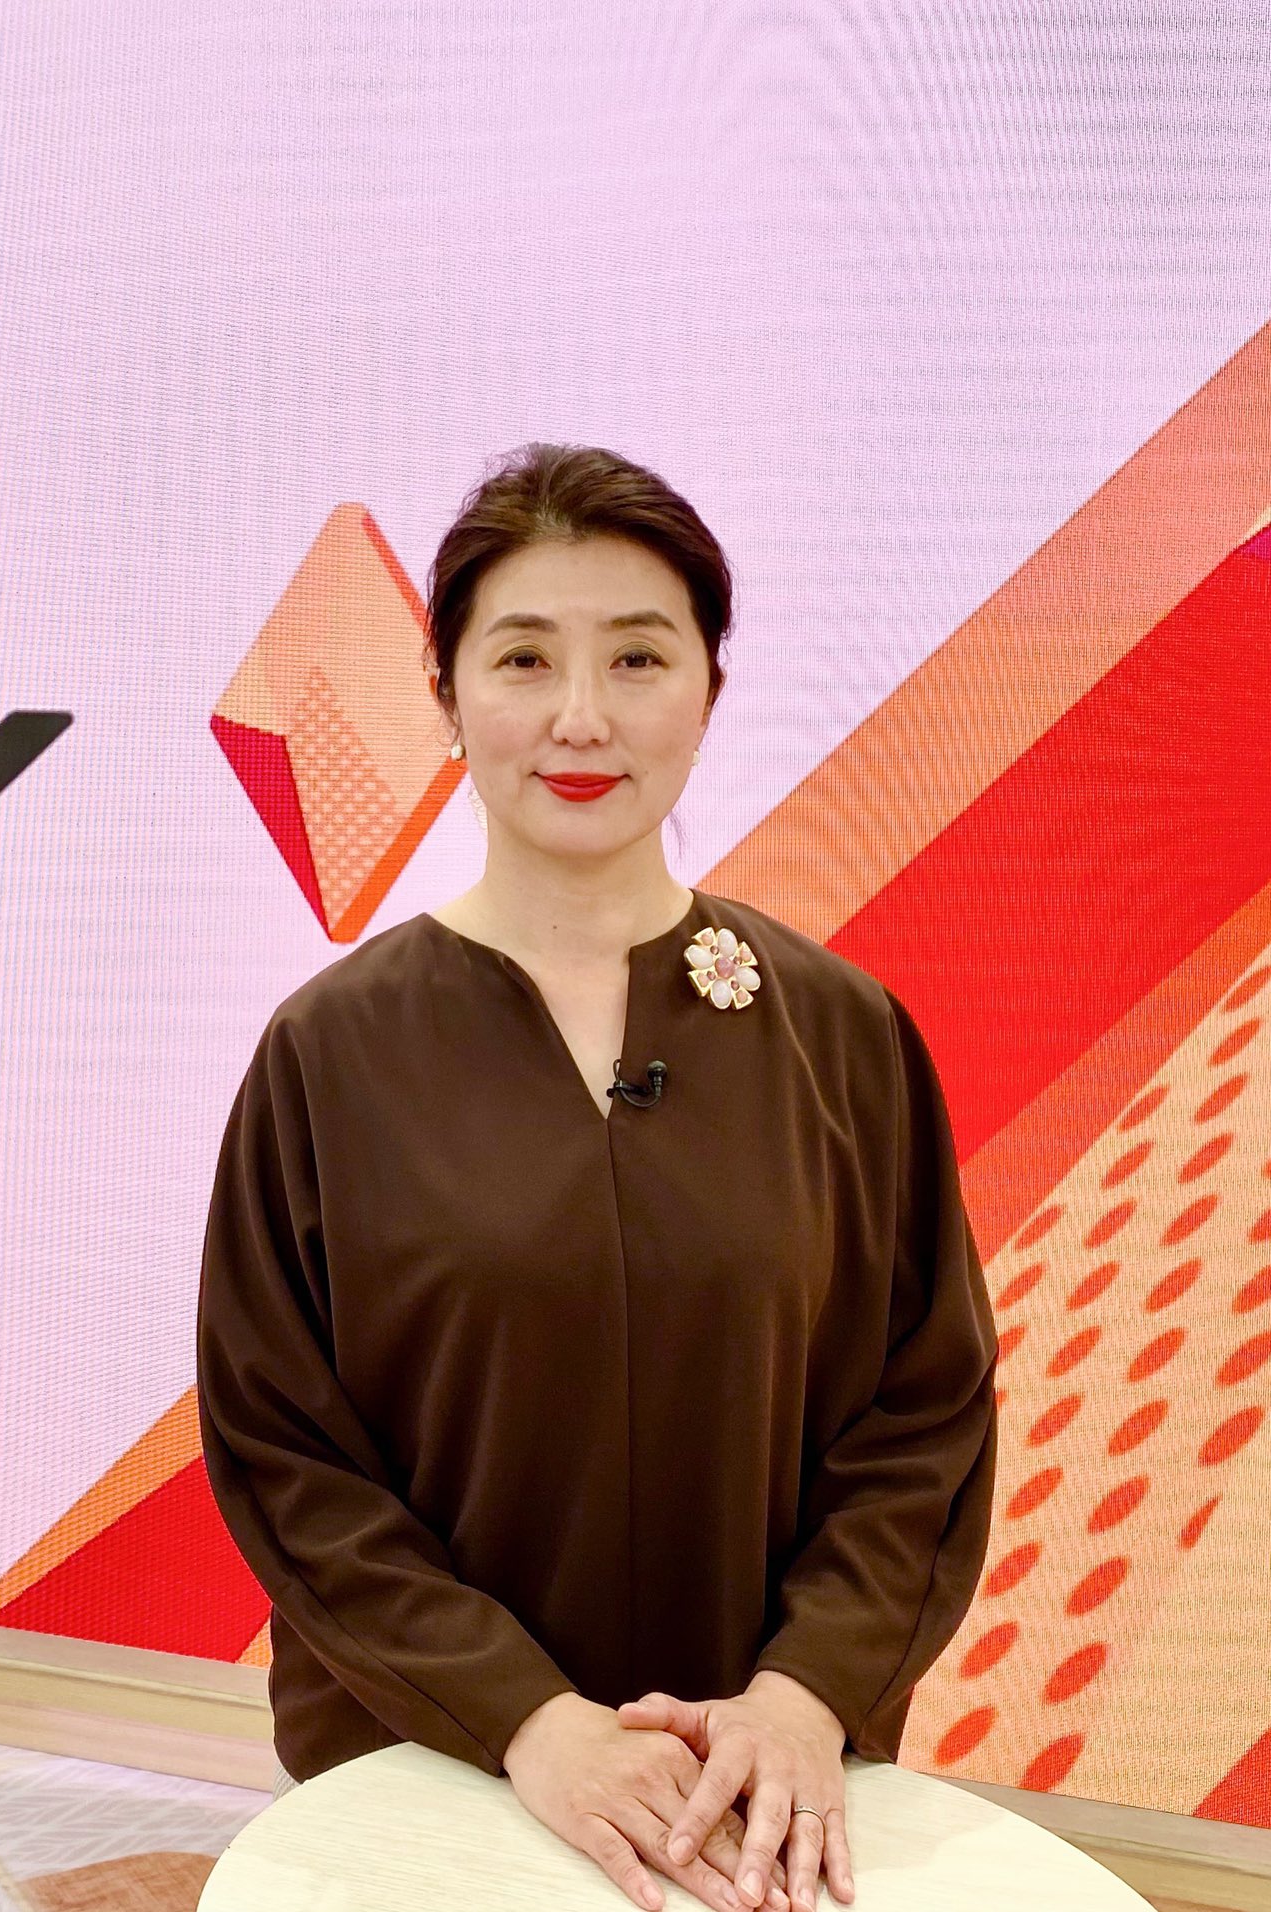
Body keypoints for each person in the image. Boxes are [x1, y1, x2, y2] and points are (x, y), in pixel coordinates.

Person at [196, 444, 999, 1912]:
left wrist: (805, 1695)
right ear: (446, 697)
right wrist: (527, 1720)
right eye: (523, 658)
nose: (581, 716)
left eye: (637, 656)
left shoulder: (844, 1035)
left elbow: (922, 1417)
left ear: (709, 689)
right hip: (429, 1771)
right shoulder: (329, 1052)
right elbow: (286, 1456)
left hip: (746, 1804)